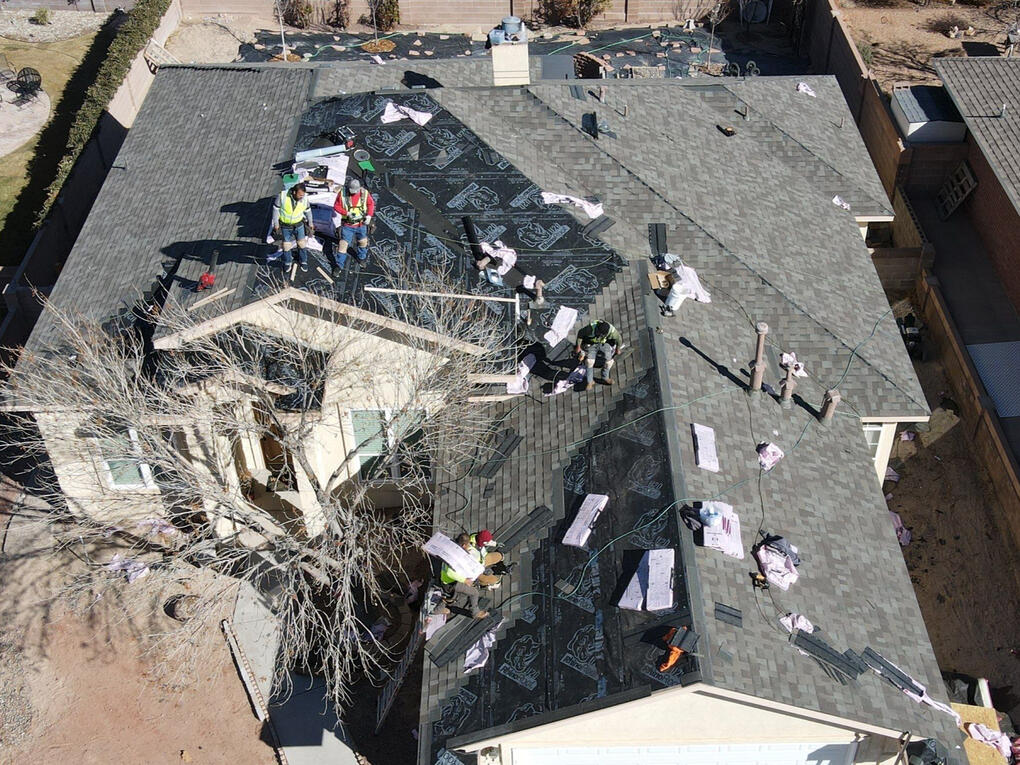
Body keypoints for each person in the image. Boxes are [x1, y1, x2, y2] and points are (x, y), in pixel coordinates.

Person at [439, 533, 489, 620]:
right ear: (463, 545)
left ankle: (447, 602)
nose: (469, 547)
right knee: (474, 593)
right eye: (468, 545)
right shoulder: (453, 557)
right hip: (451, 584)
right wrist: (465, 580)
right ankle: (475, 613)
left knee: (453, 596)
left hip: (448, 581)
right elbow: (450, 573)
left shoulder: (452, 549)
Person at [332, 177, 375, 271]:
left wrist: (369, 216)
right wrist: (346, 213)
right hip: (347, 225)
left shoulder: (364, 194)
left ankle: (361, 258)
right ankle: (339, 265)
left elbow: (371, 204)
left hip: (361, 224)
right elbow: (336, 206)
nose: (353, 193)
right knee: (343, 245)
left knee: (363, 241)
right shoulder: (342, 193)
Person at [271, 183, 314, 274]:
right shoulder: (282, 196)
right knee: (286, 245)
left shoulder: (304, 198)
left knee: (302, 244)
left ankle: (303, 261)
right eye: (300, 195)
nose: (301, 197)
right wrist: (276, 224)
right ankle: (287, 262)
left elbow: (308, 211)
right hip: (285, 226)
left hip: (299, 225)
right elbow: (275, 210)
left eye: (303, 195)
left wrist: (310, 222)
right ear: (294, 192)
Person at [575, 319, 623, 391]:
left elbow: (619, 339)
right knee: (589, 362)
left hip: (604, 344)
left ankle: (605, 378)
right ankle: (590, 381)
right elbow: (580, 334)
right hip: (591, 344)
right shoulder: (589, 329)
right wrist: (578, 346)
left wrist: (618, 349)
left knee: (609, 362)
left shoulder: (612, 332)